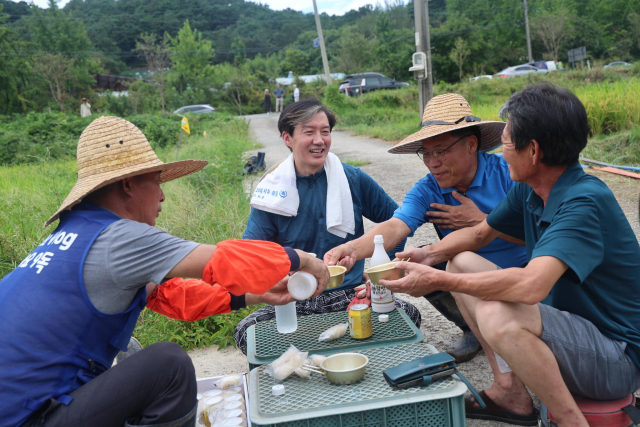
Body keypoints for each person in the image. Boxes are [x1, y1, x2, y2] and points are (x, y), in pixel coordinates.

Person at [0, 116, 329, 427]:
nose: (162, 195)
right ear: (128, 185)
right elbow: (223, 260)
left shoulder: (72, 235)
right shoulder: (118, 238)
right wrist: (303, 259)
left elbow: (175, 297)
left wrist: (257, 294)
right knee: (167, 365)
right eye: (156, 181)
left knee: (129, 352)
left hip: (21, 407)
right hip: (27, 418)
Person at [381, 84, 640, 426]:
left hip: (616, 360)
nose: (501, 153)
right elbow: (478, 234)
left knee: (500, 316)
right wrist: (426, 255)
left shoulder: (583, 202)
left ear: (532, 151)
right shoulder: (530, 189)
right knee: (462, 260)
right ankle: (510, 392)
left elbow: (531, 286)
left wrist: (437, 279)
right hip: (580, 335)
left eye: (505, 143)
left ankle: (569, 422)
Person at [325, 93, 528, 363]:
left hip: (524, 274)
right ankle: (472, 328)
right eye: (426, 153)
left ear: (471, 144)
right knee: (417, 261)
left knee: (449, 258)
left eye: (441, 151)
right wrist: (350, 250)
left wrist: (482, 221)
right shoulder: (429, 188)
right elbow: (396, 226)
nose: (433, 162)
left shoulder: (509, 174)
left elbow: (540, 236)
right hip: (465, 274)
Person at [233, 99, 421, 354]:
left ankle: (316, 349)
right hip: (297, 296)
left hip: (348, 294)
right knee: (247, 333)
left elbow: (397, 223)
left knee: (409, 315)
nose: (319, 140)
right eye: (309, 132)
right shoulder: (272, 191)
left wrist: (379, 275)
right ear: (287, 138)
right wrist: (280, 277)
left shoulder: (352, 179)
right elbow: (249, 253)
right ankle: (344, 346)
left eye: (325, 131)